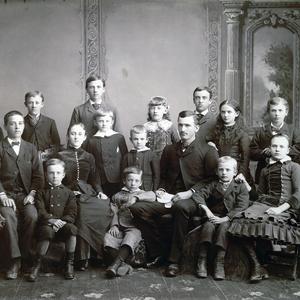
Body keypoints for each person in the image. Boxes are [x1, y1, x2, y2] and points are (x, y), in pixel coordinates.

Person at [130, 111, 218, 277]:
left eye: (187, 125)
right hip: (169, 197)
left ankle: (173, 260)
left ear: (196, 128)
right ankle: (158, 251)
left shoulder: (207, 150)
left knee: (180, 207)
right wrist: (161, 190)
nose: (183, 129)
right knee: (137, 208)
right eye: (180, 125)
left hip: (193, 199)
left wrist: (190, 192)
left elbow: (212, 180)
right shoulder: (170, 149)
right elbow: (163, 176)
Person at [228, 134, 300, 282]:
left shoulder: (294, 167)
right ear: (269, 148)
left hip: (286, 207)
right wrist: (247, 186)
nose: (277, 149)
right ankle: (257, 265)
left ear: (288, 150)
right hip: (265, 204)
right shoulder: (265, 170)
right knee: (237, 222)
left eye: (281, 146)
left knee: (261, 222)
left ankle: (259, 264)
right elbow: (259, 195)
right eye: (274, 146)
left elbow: (299, 193)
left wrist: (280, 210)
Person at [57, 123, 112, 271]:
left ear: (85, 137)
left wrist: (100, 191)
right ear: (68, 136)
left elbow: (95, 179)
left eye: (79, 134)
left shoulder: (89, 156)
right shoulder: (60, 155)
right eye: (73, 134)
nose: (76, 137)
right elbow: (56, 180)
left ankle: (97, 255)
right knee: (81, 211)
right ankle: (82, 257)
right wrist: (68, 193)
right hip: (66, 193)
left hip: (87, 192)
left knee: (104, 207)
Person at [0, 111, 44, 279]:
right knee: (8, 217)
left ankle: (25, 255)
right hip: (5, 195)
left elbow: (38, 176)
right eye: (12, 123)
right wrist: (2, 195)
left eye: (20, 123)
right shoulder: (0, 147)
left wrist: (32, 193)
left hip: (25, 195)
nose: (17, 126)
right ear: (5, 126)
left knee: (32, 215)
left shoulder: (30, 148)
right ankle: (14, 260)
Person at [192, 156, 249, 280]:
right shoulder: (213, 184)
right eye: (221, 170)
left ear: (234, 172)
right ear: (217, 172)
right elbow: (198, 195)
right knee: (207, 226)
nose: (224, 173)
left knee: (223, 229)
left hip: (230, 218)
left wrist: (226, 218)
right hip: (213, 215)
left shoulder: (240, 186)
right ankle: (202, 260)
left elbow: (242, 206)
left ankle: (219, 262)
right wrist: (207, 211)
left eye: (228, 170)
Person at [28, 159, 77, 282]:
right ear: (46, 174)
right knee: (46, 232)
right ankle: (36, 265)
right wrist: (52, 220)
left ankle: (69, 264)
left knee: (72, 229)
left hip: (63, 225)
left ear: (63, 174)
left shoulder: (69, 193)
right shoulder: (41, 192)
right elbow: (40, 210)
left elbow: (72, 213)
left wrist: (61, 222)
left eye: (58, 173)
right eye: (51, 173)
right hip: (47, 224)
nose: (55, 176)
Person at [104, 167, 156, 278]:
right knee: (108, 238)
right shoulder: (117, 195)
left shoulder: (143, 194)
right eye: (130, 180)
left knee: (131, 237)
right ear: (124, 181)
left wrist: (137, 197)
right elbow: (114, 212)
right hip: (119, 225)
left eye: (137, 181)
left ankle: (115, 265)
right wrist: (114, 226)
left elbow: (152, 195)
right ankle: (124, 265)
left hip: (134, 226)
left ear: (141, 182)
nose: (133, 183)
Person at [250, 97, 300, 183]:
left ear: (286, 112)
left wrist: (283, 151)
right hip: (265, 174)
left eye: (280, 110)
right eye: (273, 110)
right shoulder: (261, 131)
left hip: (287, 175)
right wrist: (264, 152)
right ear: (269, 112)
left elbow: (298, 149)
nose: (277, 114)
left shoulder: (293, 131)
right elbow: (251, 151)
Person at [207, 99, 254, 188]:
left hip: (236, 171)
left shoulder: (242, 133)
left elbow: (246, 157)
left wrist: (241, 174)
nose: (226, 115)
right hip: (220, 169)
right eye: (223, 112)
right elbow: (208, 142)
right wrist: (210, 144)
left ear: (236, 114)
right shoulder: (217, 130)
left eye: (229, 112)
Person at [86, 110, 128, 198]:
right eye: (101, 121)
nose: (104, 124)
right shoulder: (92, 141)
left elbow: (125, 158)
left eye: (107, 121)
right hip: (100, 179)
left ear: (112, 122)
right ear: (95, 122)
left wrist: (124, 178)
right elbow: (91, 163)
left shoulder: (119, 137)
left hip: (118, 178)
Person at [22, 91, 61, 161]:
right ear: (25, 104)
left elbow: (56, 144)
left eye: (37, 103)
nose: (34, 106)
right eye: (30, 102)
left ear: (42, 104)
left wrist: (47, 153)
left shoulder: (50, 122)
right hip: (27, 160)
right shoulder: (21, 122)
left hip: (47, 160)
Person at [122, 125, 160, 191]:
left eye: (142, 139)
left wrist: (155, 190)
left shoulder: (152, 155)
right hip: (131, 189)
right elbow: (123, 175)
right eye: (136, 139)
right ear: (131, 140)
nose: (139, 142)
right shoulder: (127, 156)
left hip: (147, 188)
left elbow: (156, 175)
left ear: (146, 140)